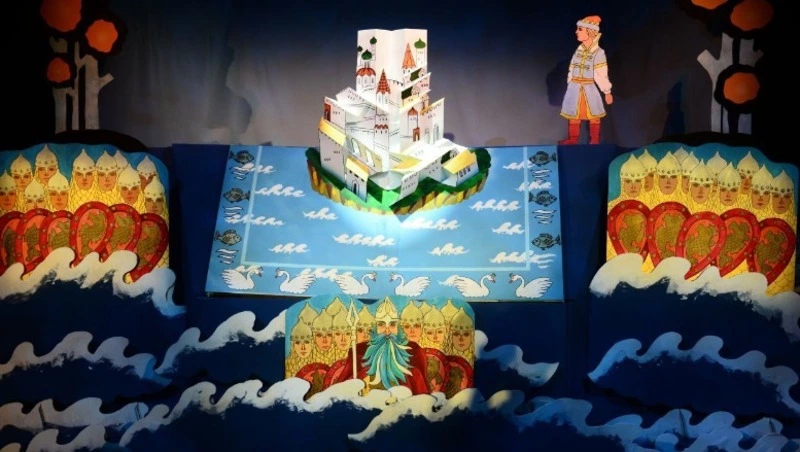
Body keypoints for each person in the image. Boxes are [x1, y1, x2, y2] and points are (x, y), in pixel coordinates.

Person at [334, 297, 429, 395]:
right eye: (381, 324)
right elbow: (343, 391)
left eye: (392, 324)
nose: (387, 331)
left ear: (398, 328)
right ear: (375, 328)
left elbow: (421, 396)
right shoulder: (359, 355)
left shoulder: (413, 358)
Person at [559, 15, 613, 145]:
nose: (576, 32)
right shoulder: (579, 50)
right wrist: (570, 83)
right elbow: (572, 67)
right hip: (575, 86)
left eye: (580, 29)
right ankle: (573, 139)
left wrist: (607, 91)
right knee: (574, 114)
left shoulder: (598, 52)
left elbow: (600, 73)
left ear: (590, 32)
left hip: (588, 87)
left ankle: (594, 140)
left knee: (594, 114)